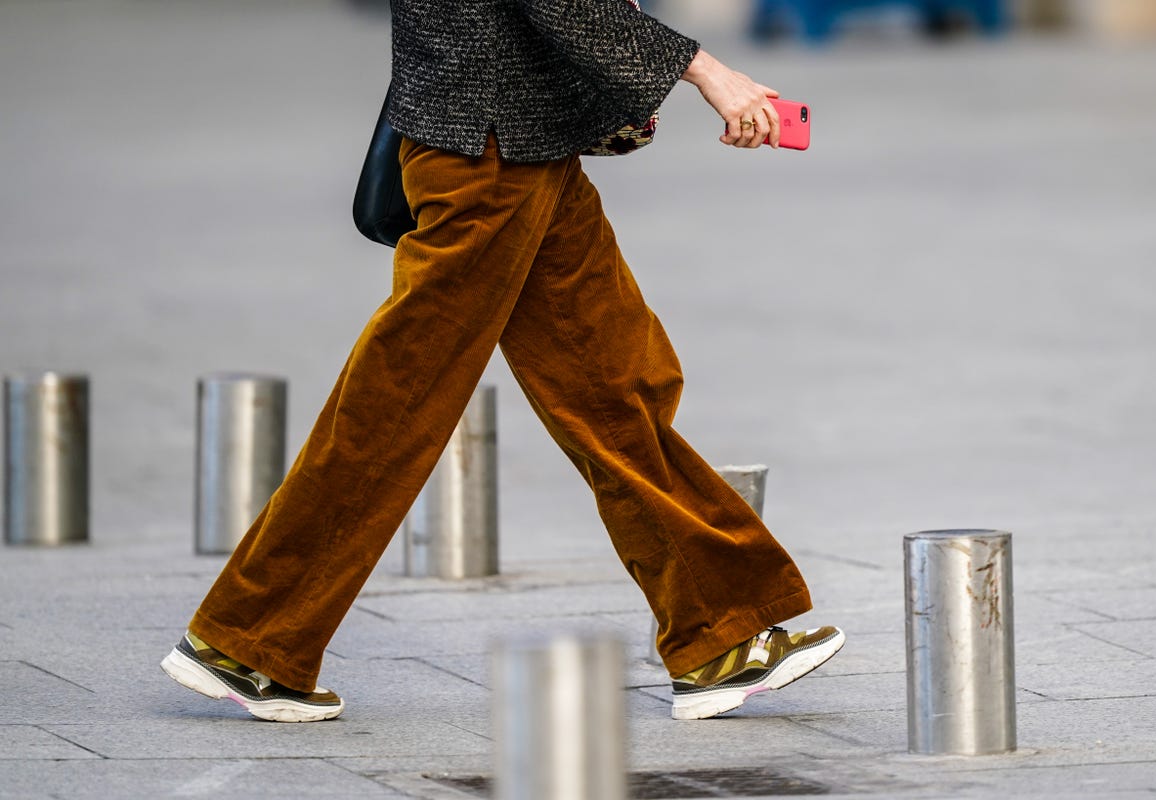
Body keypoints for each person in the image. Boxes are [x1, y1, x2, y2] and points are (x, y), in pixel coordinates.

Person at [161, 0, 844, 724]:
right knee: (397, 403)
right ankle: (249, 637)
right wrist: (708, 71)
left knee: (616, 385)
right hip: (484, 158)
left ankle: (721, 633)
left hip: (524, 145)